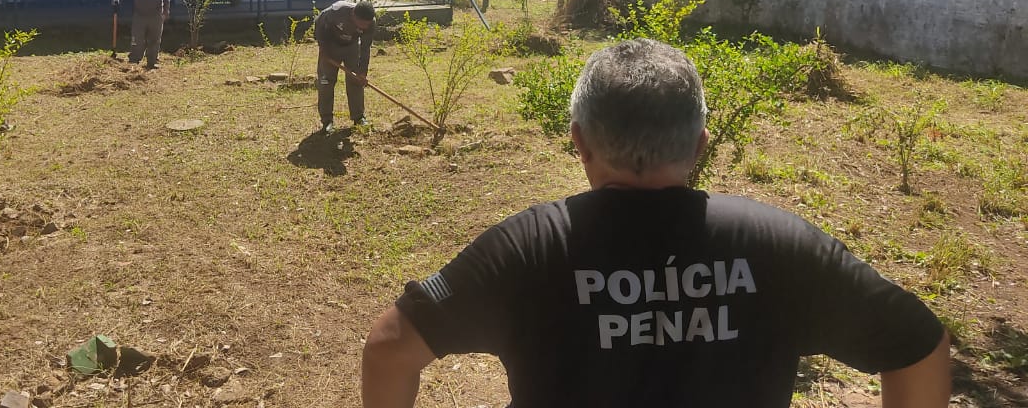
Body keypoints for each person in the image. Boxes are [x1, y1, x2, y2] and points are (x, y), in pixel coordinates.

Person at [361, 38, 950, 408]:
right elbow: (921, 347)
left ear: (580, 143)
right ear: (699, 144)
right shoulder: (778, 243)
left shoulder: (527, 248)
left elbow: (390, 348)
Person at [314, 0, 376, 134]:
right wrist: (323, 49)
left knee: (356, 82)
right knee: (326, 82)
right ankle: (327, 121)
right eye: (361, 24)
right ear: (353, 14)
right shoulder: (336, 11)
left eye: (367, 24)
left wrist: (362, 72)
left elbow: (365, 48)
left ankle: (358, 117)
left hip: (352, 48)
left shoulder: (371, 23)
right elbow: (319, 24)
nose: (364, 27)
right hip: (330, 47)